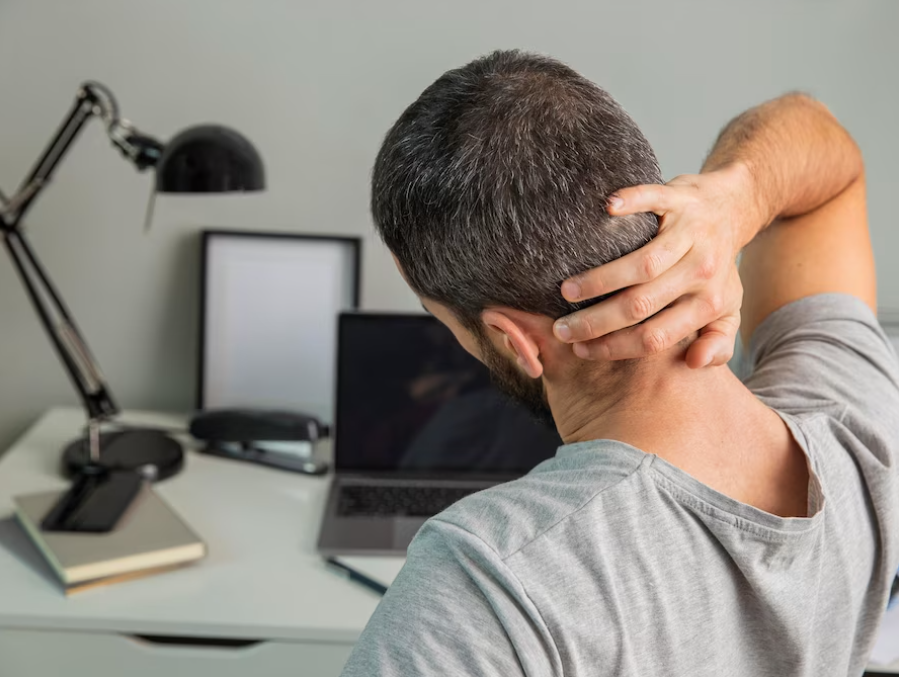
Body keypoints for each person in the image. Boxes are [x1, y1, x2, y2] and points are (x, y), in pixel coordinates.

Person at [340, 49, 899, 676]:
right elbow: (823, 146)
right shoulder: (857, 426)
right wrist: (731, 201)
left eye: (445, 322)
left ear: (512, 340)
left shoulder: (489, 584)